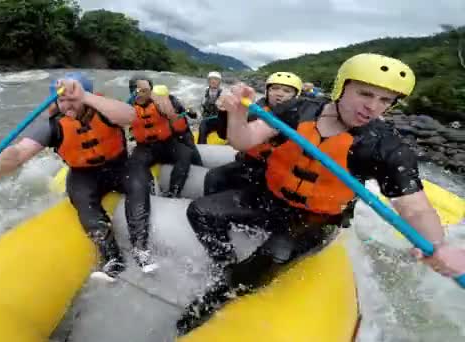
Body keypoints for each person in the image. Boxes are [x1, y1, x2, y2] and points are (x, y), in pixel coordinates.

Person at [178, 53, 465, 333]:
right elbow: (243, 141)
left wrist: (438, 245)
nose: (373, 107)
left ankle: (221, 294)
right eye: (365, 94)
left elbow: (414, 207)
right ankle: (224, 261)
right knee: (200, 211)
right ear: (342, 87)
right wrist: (238, 115)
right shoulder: (297, 110)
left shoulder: (386, 146)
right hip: (269, 196)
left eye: (385, 100)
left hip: (316, 218)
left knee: (275, 254)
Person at [0, 72, 136, 282]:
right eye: (62, 101)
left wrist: (86, 97)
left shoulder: (105, 109)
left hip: (120, 166)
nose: (68, 106)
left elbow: (130, 116)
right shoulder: (53, 125)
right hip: (84, 175)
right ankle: (113, 259)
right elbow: (16, 156)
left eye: (74, 100)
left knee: (139, 186)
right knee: (83, 203)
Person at [124, 77, 197, 272]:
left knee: (186, 153)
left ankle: (174, 192)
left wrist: (171, 112)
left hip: (167, 144)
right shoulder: (125, 108)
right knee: (136, 169)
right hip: (144, 147)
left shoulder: (165, 102)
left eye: (144, 89)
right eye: (136, 90)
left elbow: (180, 126)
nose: (140, 93)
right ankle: (148, 203)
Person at [203, 72, 303, 195]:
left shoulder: (300, 118)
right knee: (213, 176)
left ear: (296, 96)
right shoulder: (256, 109)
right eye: (274, 89)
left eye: (287, 91)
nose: (279, 94)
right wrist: (225, 113)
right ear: (267, 92)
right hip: (251, 162)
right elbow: (224, 135)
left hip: (276, 170)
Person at [197, 71, 224, 144]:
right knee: (202, 127)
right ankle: (201, 147)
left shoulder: (224, 93)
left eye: (216, 79)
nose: (213, 81)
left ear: (219, 82)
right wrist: (199, 115)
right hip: (207, 120)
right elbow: (200, 107)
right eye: (211, 79)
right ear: (208, 81)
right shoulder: (204, 92)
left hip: (220, 120)